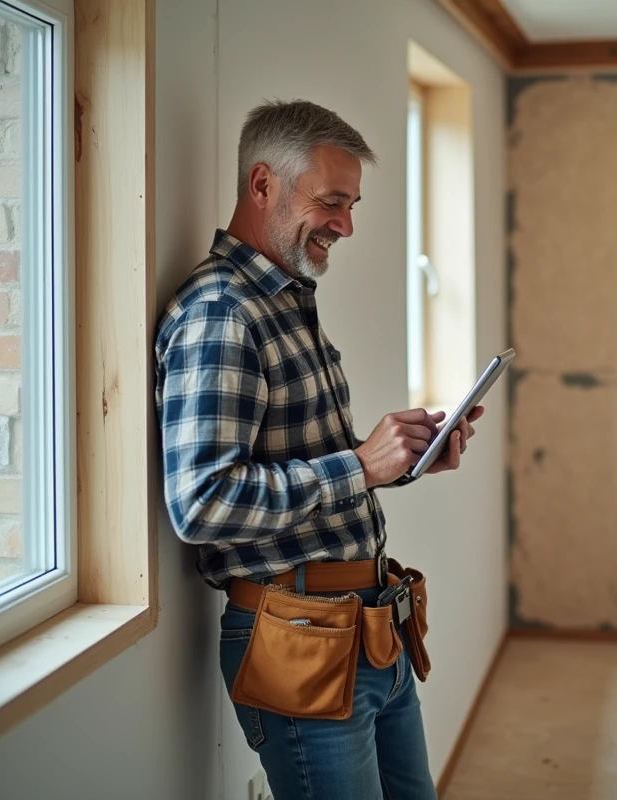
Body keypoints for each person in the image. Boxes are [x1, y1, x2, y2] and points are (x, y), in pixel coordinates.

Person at [153, 99, 483, 800]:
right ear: (262, 184)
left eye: (352, 204)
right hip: (297, 637)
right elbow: (202, 504)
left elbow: (308, 464)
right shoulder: (221, 312)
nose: (347, 225)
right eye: (332, 202)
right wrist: (361, 464)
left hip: (370, 628)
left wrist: (403, 460)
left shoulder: (285, 302)